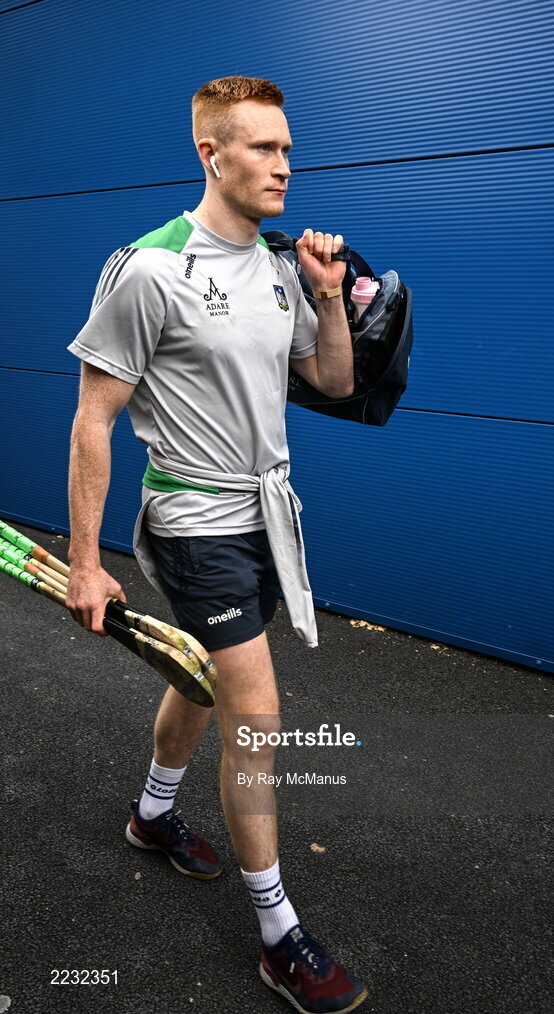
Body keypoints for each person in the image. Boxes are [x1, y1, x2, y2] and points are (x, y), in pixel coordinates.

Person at [66, 75, 367, 1014]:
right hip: (195, 523)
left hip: (267, 520)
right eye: (264, 148)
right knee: (258, 714)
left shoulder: (282, 266)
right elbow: (92, 422)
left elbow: (335, 380)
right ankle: (280, 933)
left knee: (195, 676)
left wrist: (326, 297)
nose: (285, 164)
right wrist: (85, 560)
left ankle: (152, 815)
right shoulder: (152, 268)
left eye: (286, 147)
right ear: (212, 154)